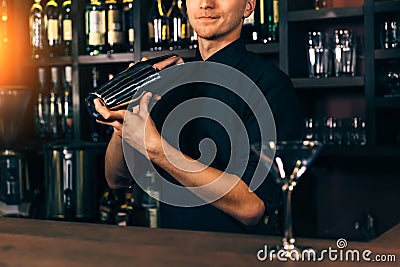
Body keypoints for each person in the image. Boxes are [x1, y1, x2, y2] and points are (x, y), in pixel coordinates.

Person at [94, 0, 304, 234]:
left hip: (236, 254)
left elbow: (252, 208)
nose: (206, 4)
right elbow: (117, 179)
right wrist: (123, 125)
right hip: (166, 250)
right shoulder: (169, 79)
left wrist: (157, 149)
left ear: (248, 6)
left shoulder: (270, 85)